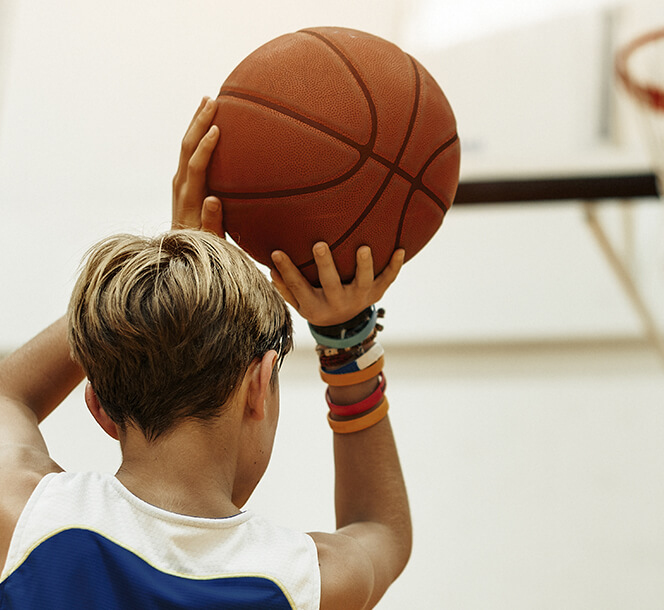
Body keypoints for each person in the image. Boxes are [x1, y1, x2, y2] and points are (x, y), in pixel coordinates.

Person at [0, 97, 410, 609]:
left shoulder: (26, 518)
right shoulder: (306, 580)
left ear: (99, 406)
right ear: (258, 386)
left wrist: (165, 264)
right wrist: (346, 338)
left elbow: (7, 394)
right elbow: (381, 529)